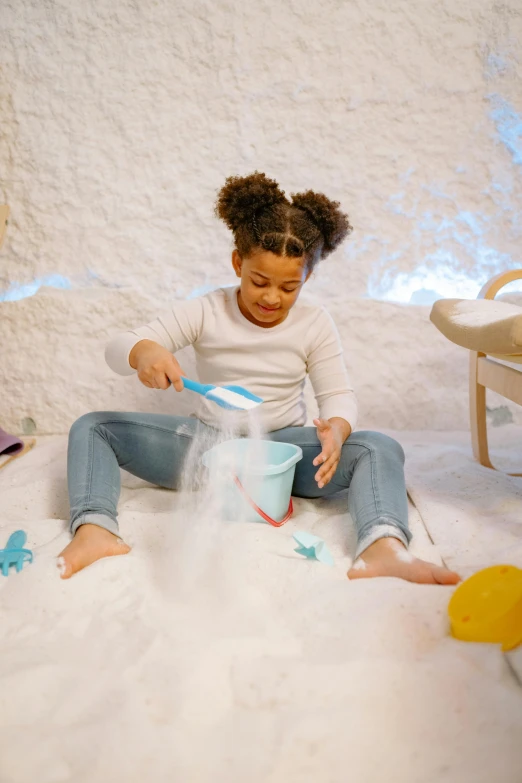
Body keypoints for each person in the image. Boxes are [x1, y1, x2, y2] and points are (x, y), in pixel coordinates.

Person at [59, 172, 460, 585]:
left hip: (284, 453)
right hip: (207, 447)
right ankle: (94, 529)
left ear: (307, 278)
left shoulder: (314, 323)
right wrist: (145, 351)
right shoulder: (207, 310)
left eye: (289, 287)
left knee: (379, 447)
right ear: (238, 263)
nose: (272, 297)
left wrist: (337, 429)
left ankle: (382, 545)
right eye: (259, 281)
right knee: (92, 428)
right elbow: (120, 346)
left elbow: (338, 393)